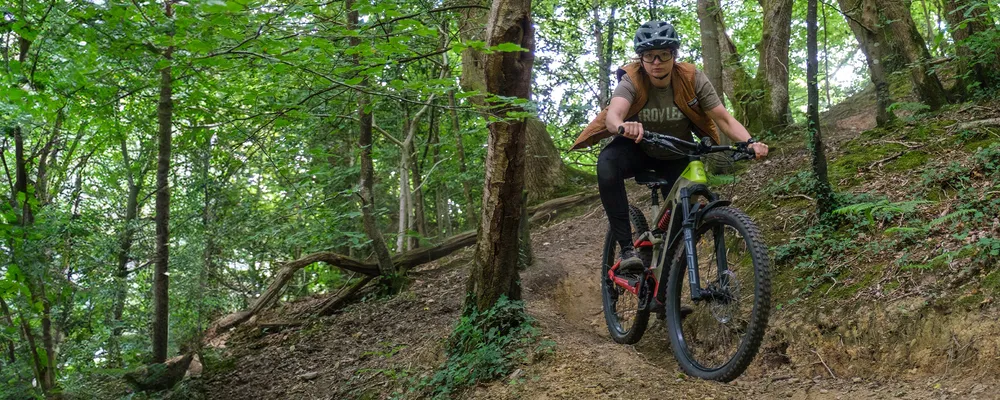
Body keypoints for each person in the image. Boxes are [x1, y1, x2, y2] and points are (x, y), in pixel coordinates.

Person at [571, 20, 770, 274]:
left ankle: (666, 294)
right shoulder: (632, 79)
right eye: (649, 56)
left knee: (680, 228)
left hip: (677, 153)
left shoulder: (691, 77)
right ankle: (627, 249)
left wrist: (750, 142)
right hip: (638, 150)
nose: (657, 62)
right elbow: (613, 116)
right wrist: (623, 126)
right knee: (607, 165)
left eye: (664, 54)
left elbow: (724, 118)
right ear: (640, 58)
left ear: (673, 56)